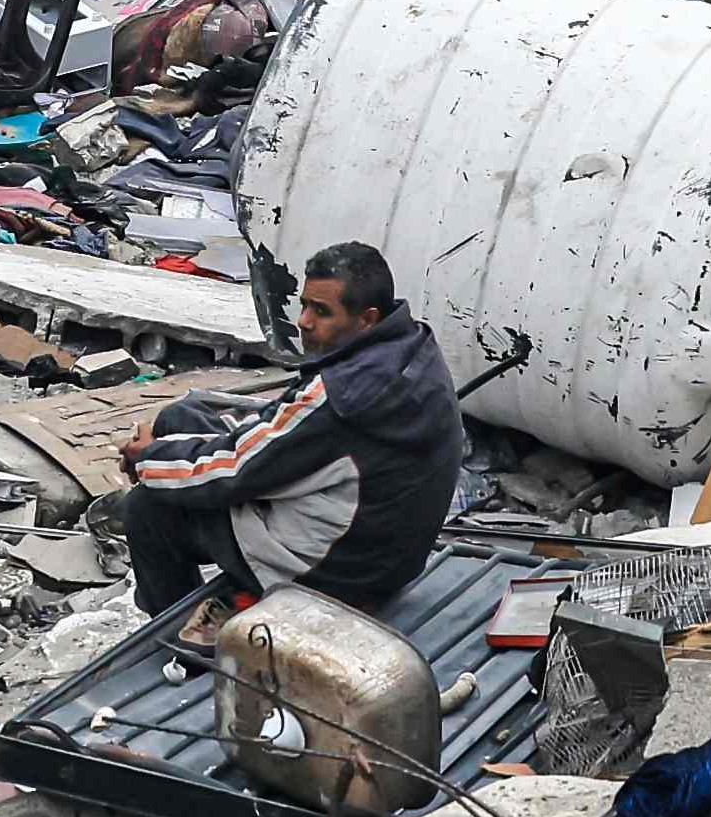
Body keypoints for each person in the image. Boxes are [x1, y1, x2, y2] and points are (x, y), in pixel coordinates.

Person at [114, 243, 465, 617]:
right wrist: (168, 448)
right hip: (385, 549)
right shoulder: (411, 345)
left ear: (366, 319)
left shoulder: (341, 398)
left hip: (340, 569)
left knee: (148, 509)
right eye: (305, 305)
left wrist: (149, 457)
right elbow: (280, 430)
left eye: (322, 312)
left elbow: (235, 471)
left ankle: (178, 638)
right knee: (181, 418)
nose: (304, 322)